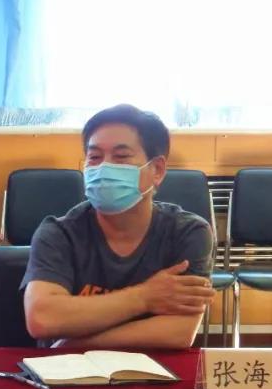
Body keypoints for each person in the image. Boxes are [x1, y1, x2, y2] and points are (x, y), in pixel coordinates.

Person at [22, 104, 215, 350]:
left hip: (150, 367)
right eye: (94, 157)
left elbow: (179, 331)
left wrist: (75, 343)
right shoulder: (58, 233)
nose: (103, 168)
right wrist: (145, 297)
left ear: (157, 170)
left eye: (121, 157)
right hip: (66, 368)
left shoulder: (188, 233)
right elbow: (42, 318)